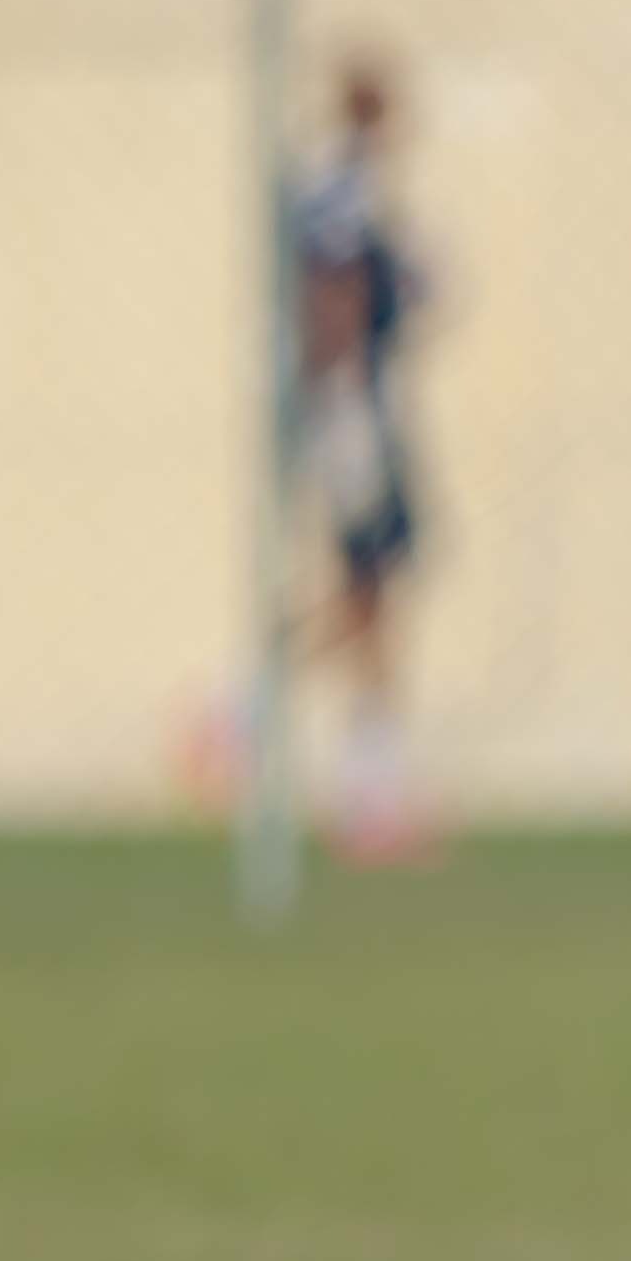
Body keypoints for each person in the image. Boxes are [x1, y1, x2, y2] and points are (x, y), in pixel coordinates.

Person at [289, 57, 437, 863]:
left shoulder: (357, 189)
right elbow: (331, 297)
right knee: (365, 591)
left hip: (361, 404)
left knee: (374, 596)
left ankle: (373, 786)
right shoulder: (342, 191)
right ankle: (238, 709)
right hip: (353, 409)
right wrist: (344, 405)